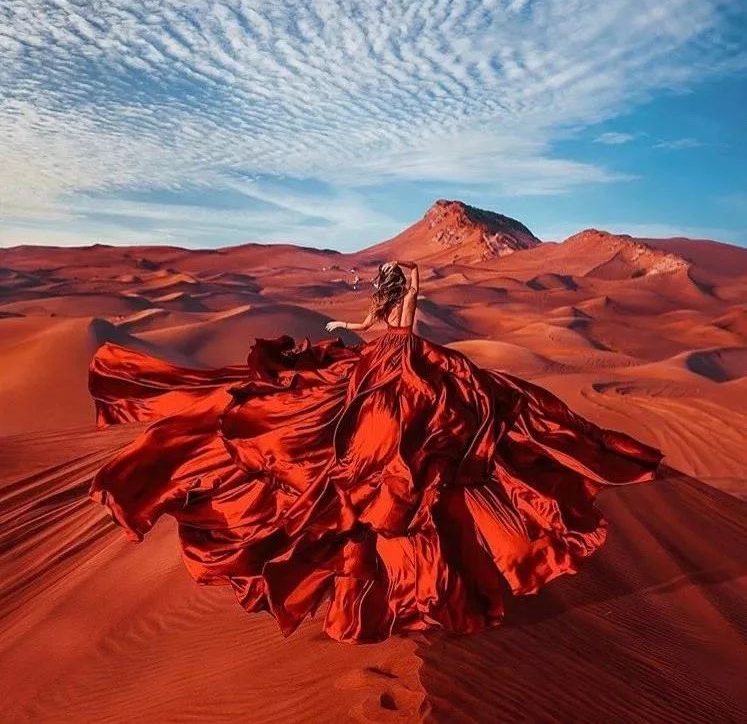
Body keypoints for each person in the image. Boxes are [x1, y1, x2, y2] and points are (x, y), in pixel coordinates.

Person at [88, 259, 663, 643]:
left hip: (399, 365)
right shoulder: (391, 308)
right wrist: (349, 315)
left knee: (413, 424)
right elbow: (371, 318)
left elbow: (397, 308)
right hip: (391, 363)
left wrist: (399, 281)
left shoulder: (400, 303)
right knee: (357, 425)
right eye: (398, 286)